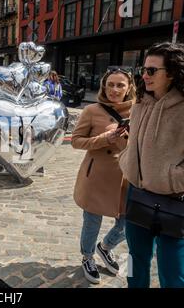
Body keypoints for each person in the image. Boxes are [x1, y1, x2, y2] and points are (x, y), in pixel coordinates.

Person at [119, 42, 184, 288]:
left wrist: (170, 178)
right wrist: (128, 162)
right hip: (138, 196)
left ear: (173, 73)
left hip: (177, 201)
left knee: (173, 274)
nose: (144, 75)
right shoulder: (140, 103)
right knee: (135, 262)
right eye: (143, 69)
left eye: (152, 71)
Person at [72, 67, 136, 284]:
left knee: (126, 223)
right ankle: (87, 256)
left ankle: (106, 247)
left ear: (129, 88)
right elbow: (76, 141)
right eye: (110, 84)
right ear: (104, 86)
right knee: (92, 222)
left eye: (120, 85)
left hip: (127, 177)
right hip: (97, 175)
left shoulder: (140, 110)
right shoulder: (92, 110)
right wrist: (105, 138)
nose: (115, 90)